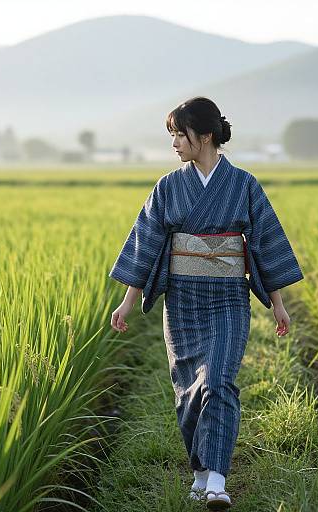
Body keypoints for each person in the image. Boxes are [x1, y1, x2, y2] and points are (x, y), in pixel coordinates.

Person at [109, 96, 304, 510]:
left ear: (206, 135)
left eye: (181, 134)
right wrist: (127, 303)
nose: (175, 144)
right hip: (182, 302)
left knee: (218, 381)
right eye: (173, 136)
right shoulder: (168, 187)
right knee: (188, 390)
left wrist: (278, 303)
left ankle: (216, 477)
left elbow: (267, 243)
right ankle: (199, 473)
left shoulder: (244, 185)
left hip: (228, 299)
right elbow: (146, 245)